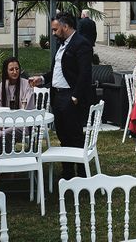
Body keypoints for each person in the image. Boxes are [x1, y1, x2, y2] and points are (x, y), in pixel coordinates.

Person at [28, 12, 93, 181]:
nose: (53, 32)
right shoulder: (60, 45)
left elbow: (85, 73)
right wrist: (41, 79)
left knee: (75, 135)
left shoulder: (81, 44)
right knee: (63, 134)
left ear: (65, 26)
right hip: (57, 95)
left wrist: (75, 96)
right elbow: (56, 71)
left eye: (56, 29)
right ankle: (68, 172)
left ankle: (82, 174)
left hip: (70, 96)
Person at [0, 57, 35, 153]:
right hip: (3, 123)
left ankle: (3, 159)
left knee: (2, 135)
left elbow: (28, 110)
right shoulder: (2, 86)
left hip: (22, 125)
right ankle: (1, 157)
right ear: (6, 71)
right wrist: (1, 124)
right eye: (11, 69)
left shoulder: (26, 85)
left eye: (17, 69)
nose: (15, 72)